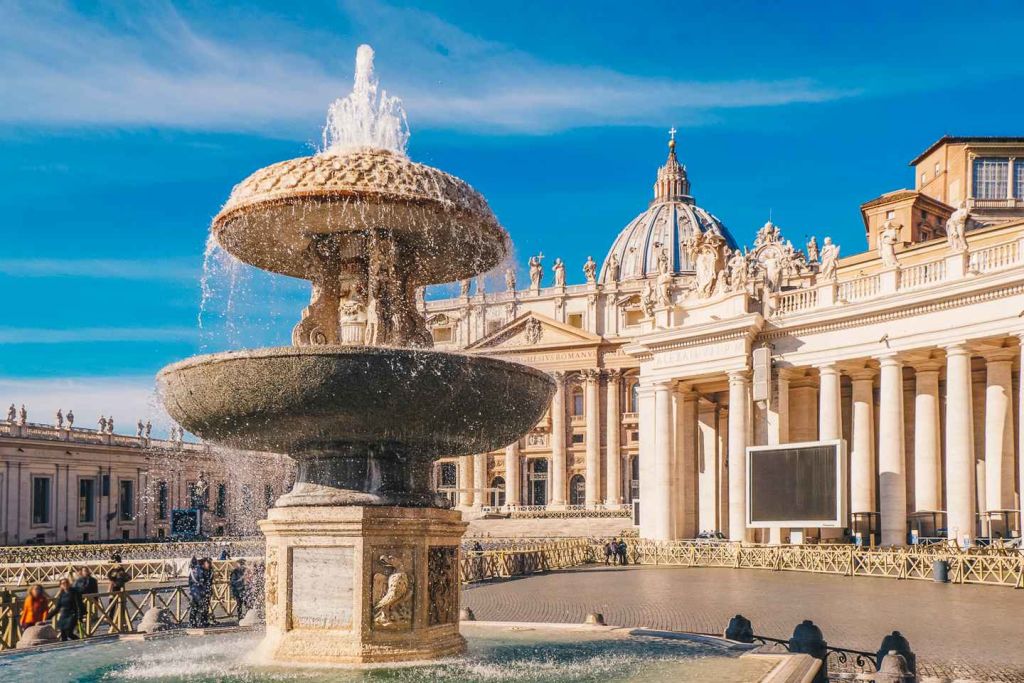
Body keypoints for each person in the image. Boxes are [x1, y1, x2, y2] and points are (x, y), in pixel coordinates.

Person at [189, 557, 214, 627]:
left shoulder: (208, 570)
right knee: (198, 607)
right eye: (208, 563)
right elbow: (201, 581)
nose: (209, 564)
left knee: (204, 607)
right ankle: (196, 622)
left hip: (203, 591)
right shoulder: (198, 569)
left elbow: (209, 581)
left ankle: (202, 621)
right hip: (197, 591)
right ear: (204, 563)